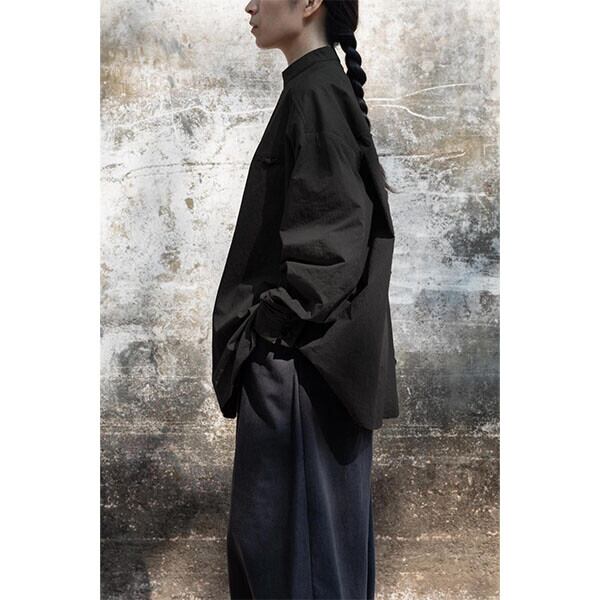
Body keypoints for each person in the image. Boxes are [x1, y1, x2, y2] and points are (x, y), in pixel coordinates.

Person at [211, 0, 399, 597]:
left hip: (301, 373)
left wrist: (266, 333)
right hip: (304, 372)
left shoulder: (317, 92)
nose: (250, 5)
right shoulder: (313, 88)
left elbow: (334, 242)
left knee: (295, 569)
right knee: (301, 564)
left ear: (311, 2)